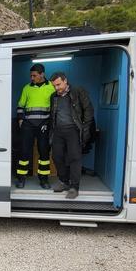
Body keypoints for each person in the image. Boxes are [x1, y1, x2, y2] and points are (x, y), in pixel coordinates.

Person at [49, 71, 94, 200]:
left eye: (58, 85)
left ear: (65, 81)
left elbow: (88, 111)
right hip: (58, 131)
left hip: (74, 130)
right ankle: (64, 182)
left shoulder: (78, 92)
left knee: (75, 158)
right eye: (54, 86)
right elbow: (53, 115)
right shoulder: (54, 97)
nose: (56, 88)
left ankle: (74, 187)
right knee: (56, 156)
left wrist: (85, 129)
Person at [14, 63, 56, 189]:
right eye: (31, 76)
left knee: (44, 153)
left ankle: (44, 180)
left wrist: (50, 123)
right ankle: (21, 178)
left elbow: (55, 107)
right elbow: (20, 105)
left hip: (44, 125)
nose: (32, 78)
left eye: (34, 75)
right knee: (24, 152)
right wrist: (21, 120)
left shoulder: (51, 87)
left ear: (42, 74)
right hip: (28, 125)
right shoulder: (27, 88)